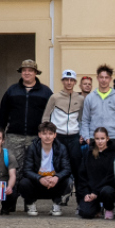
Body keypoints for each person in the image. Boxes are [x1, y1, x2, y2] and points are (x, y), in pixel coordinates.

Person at [0, 59, 52, 159]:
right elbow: (3, 113)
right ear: (21, 73)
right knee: (14, 168)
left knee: (35, 167)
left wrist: (47, 134)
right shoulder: (12, 90)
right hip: (14, 137)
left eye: (30, 70)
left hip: (36, 136)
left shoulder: (46, 92)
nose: (27, 73)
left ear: (35, 73)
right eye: (24, 70)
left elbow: (52, 115)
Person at [42, 70, 83, 205]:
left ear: (75, 82)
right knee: (57, 168)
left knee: (77, 169)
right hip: (58, 137)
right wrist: (46, 134)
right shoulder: (55, 97)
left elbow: (83, 119)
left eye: (71, 80)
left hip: (74, 137)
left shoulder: (81, 99)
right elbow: (46, 117)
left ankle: (81, 202)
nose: (69, 83)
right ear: (63, 81)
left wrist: (82, 134)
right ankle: (57, 199)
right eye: (66, 80)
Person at [18, 122, 71, 217]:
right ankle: (31, 204)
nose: (47, 137)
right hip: (37, 183)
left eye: (50, 134)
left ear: (55, 135)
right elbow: (27, 170)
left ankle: (57, 204)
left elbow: (66, 169)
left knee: (68, 181)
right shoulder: (32, 148)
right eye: (44, 133)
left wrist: (56, 177)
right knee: (23, 183)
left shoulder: (61, 148)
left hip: (54, 183)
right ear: (39, 135)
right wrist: (39, 178)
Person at [75, 127, 115, 219]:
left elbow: (112, 177)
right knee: (85, 213)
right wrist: (86, 193)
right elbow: (82, 175)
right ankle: (97, 208)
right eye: (97, 139)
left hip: (106, 189)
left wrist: (96, 192)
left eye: (102, 138)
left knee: (107, 192)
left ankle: (108, 208)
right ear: (94, 139)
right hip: (91, 192)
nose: (100, 141)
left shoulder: (114, 154)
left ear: (107, 138)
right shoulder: (89, 154)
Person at [81, 65, 115, 143]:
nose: (104, 80)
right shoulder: (90, 98)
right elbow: (85, 120)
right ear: (97, 78)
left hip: (113, 138)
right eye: (101, 77)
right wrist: (87, 138)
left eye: (106, 77)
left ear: (110, 79)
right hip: (94, 138)